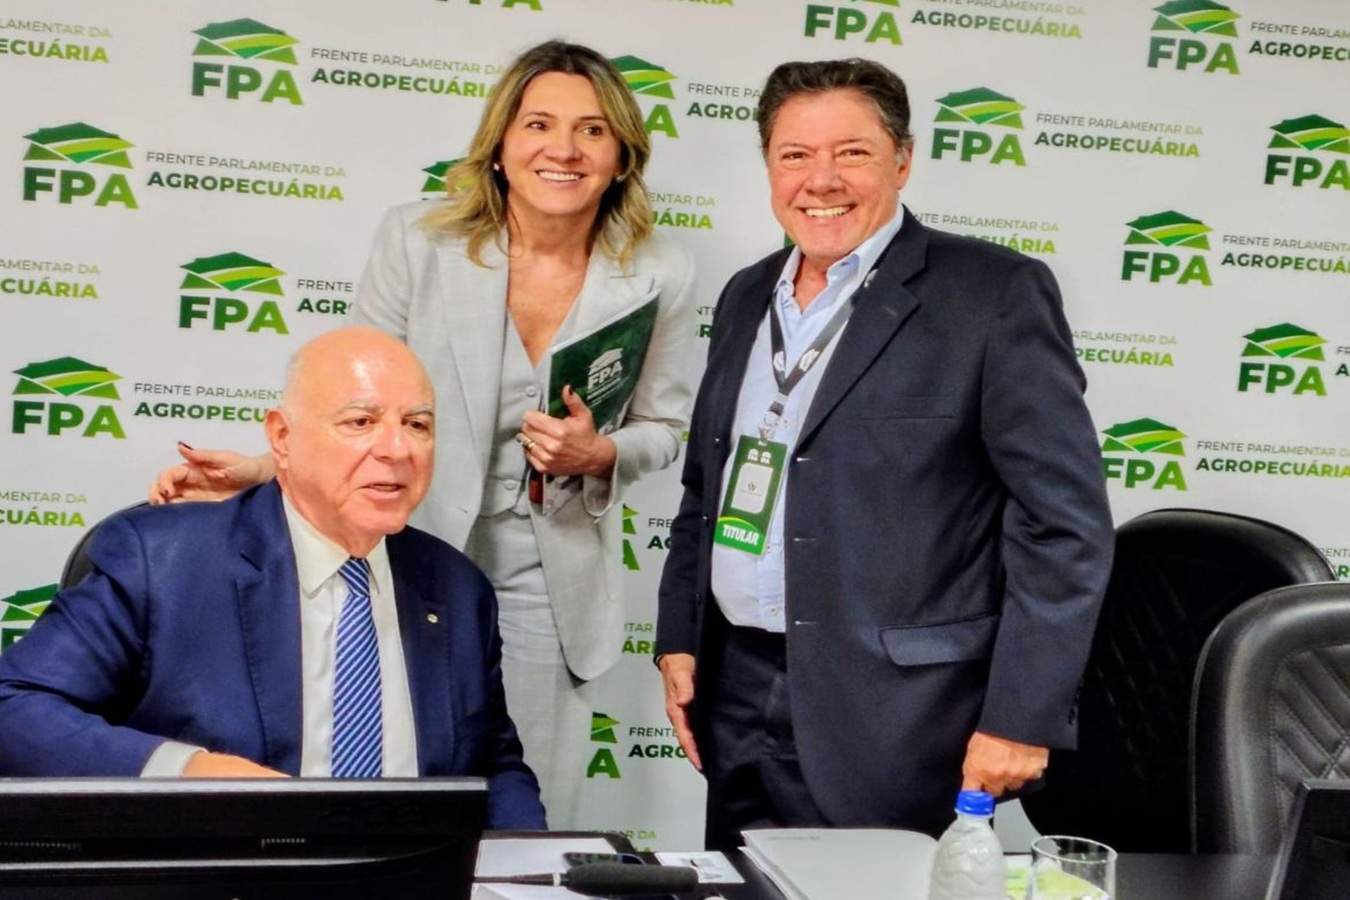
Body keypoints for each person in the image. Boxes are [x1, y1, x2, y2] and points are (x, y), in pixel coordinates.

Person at [148, 41, 695, 827]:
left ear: (621, 157)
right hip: (404, 549)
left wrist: (601, 452)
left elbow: (665, 428)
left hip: (552, 581)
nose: (565, 149)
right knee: (386, 791)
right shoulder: (419, 241)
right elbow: (356, 402)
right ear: (501, 145)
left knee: (524, 817)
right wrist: (272, 468)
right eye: (539, 124)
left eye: (592, 130)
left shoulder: (660, 271)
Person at [655, 58, 1114, 850]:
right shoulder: (746, 294)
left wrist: (1022, 715)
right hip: (736, 692)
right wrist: (680, 637)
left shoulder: (993, 295)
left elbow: (1064, 526)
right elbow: (708, 486)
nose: (821, 180)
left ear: (902, 160)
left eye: (852, 152)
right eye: (795, 155)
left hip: (899, 714)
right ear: (769, 166)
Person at [0, 326, 545, 830]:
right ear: (282, 437)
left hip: (412, 875)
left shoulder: (457, 587)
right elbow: (15, 707)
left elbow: (494, 766)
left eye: (417, 425)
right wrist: (188, 771)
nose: (396, 449)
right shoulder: (160, 561)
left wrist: (524, 868)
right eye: (360, 422)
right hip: (224, 875)